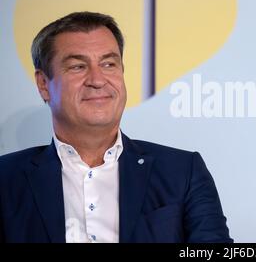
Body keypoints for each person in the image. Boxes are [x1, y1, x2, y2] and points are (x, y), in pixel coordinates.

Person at [0, 12, 232, 243]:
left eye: (109, 64)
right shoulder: (6, 179)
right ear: (43, 84)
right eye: (78, 66)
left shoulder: (183, 171)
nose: (98, 80)